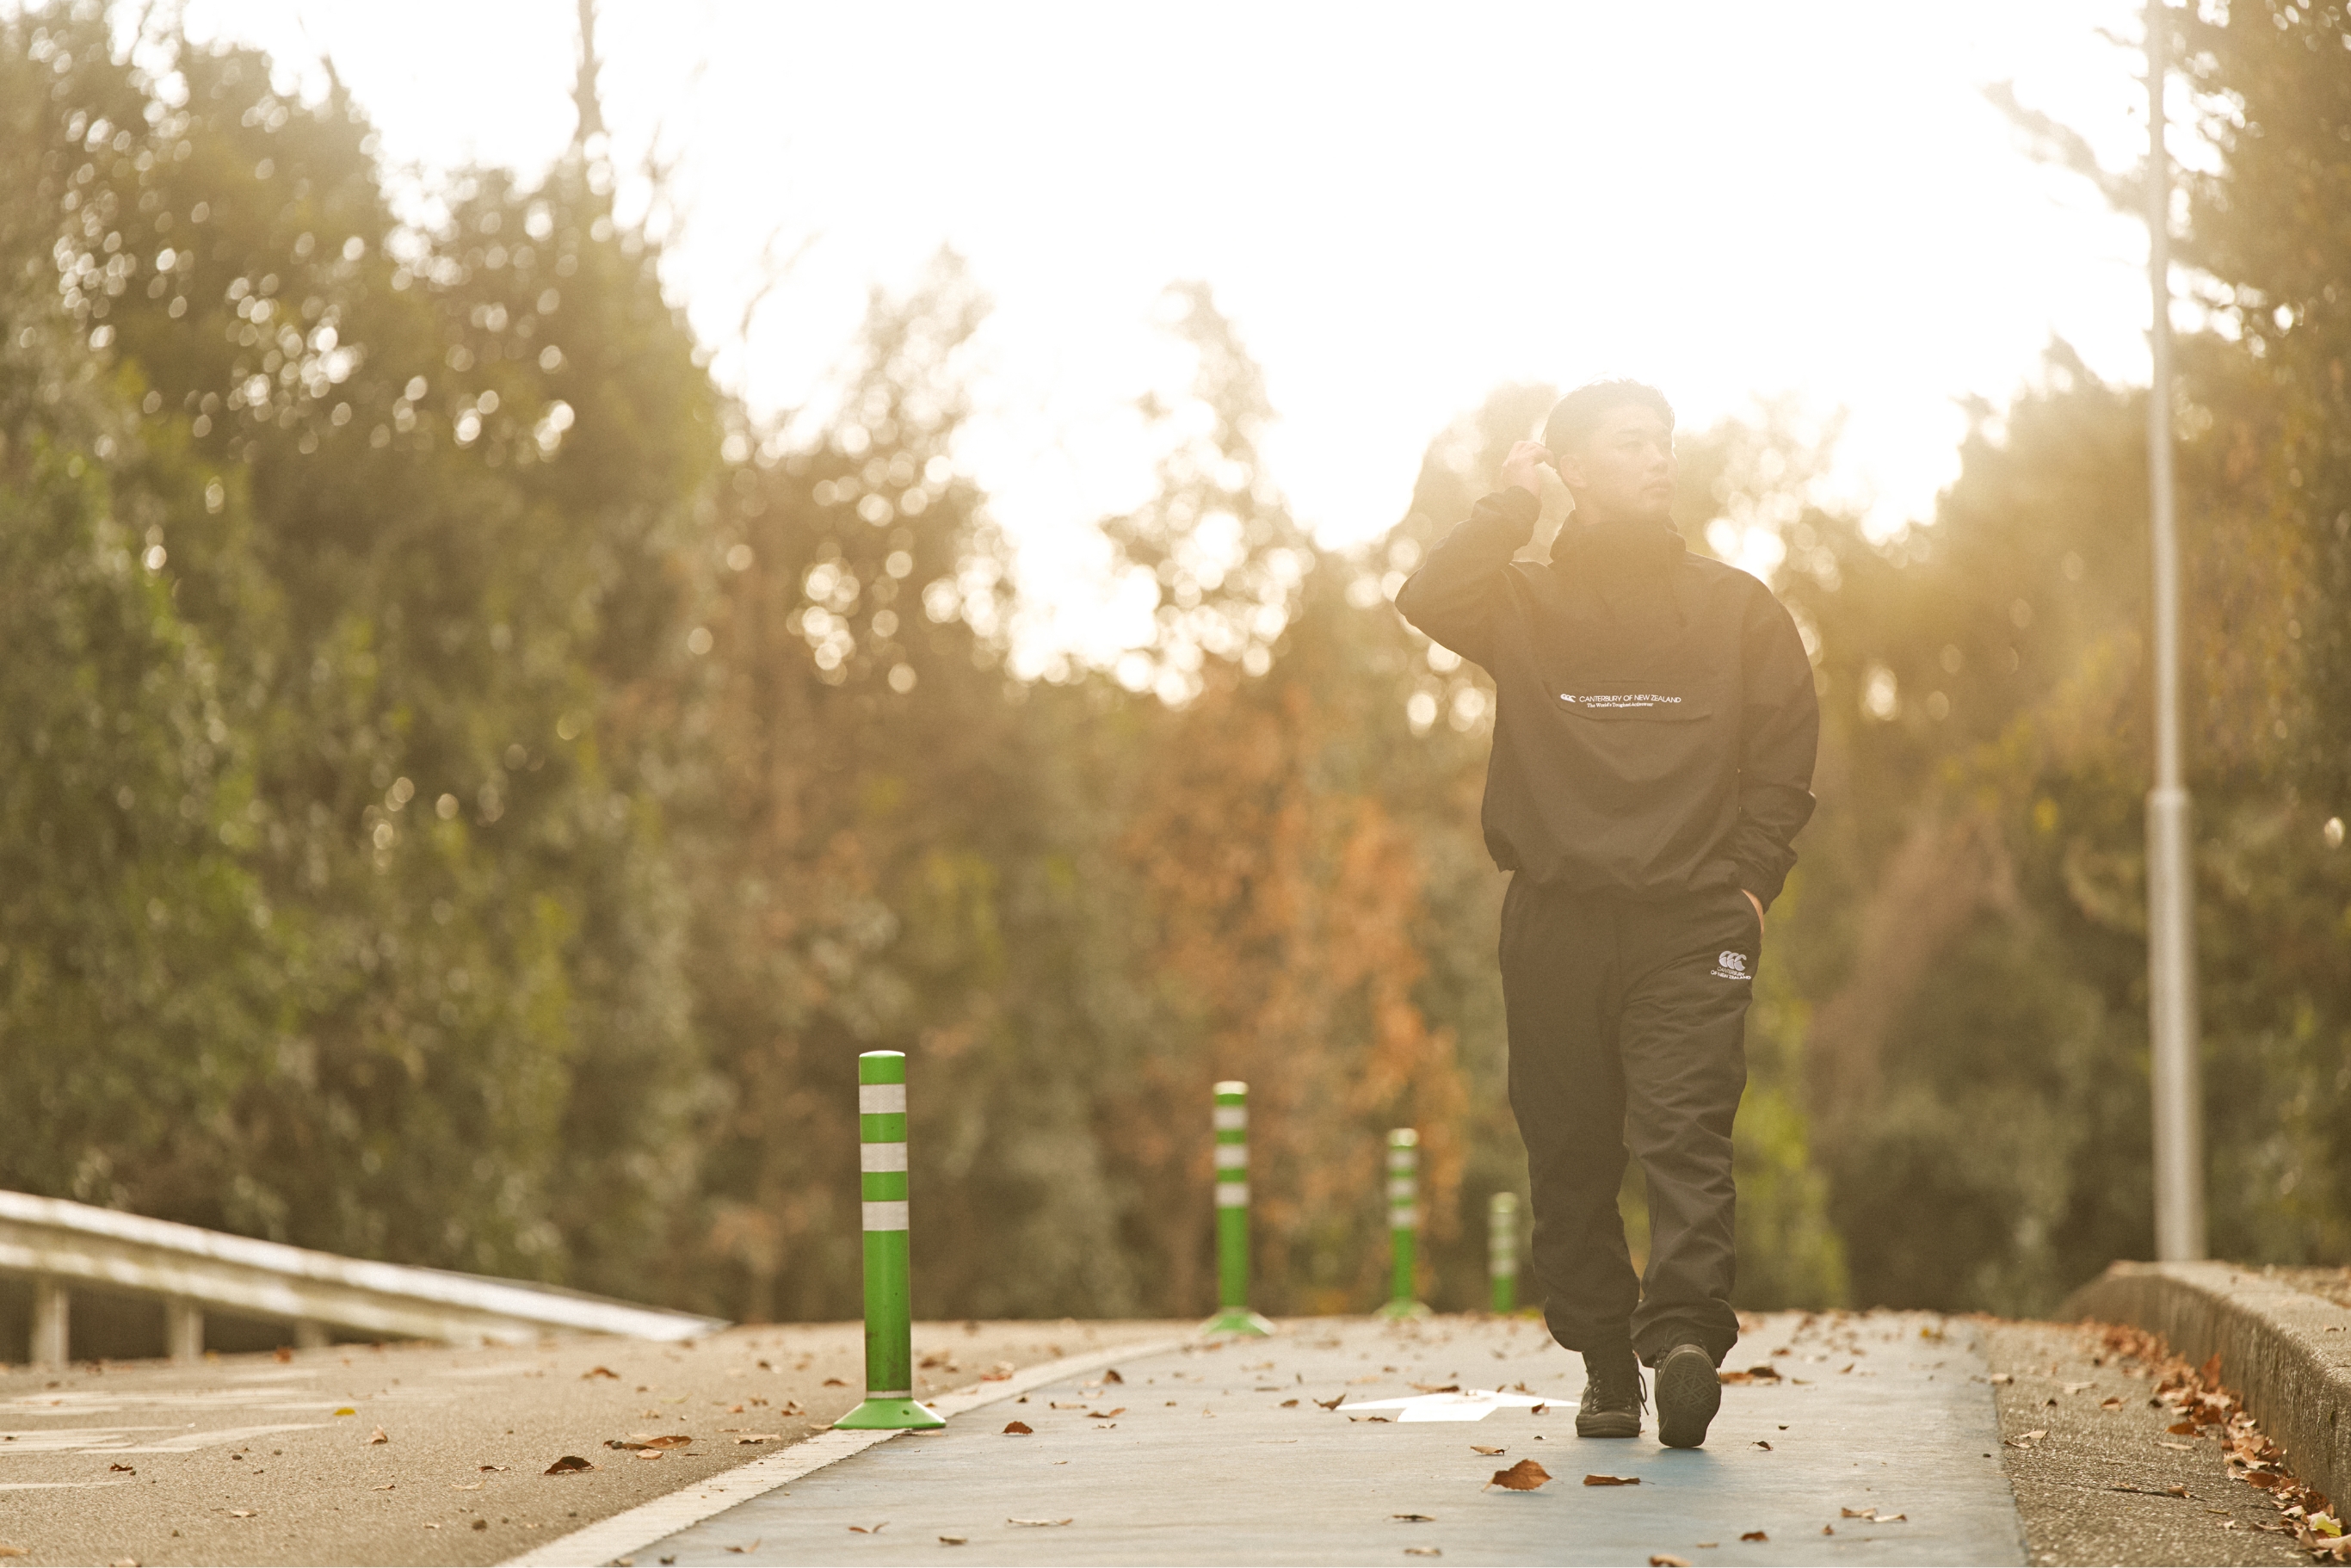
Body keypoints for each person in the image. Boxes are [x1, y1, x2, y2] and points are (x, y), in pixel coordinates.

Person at [1394, 380, 1818, 1449]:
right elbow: (1426, 593)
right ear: (1573, 468)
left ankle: (1679, 1345)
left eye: (1664, 441)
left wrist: (1749, 888)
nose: (1659, 458)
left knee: (1684, 1134)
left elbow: (1783, 756)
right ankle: (1602, 1367)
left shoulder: (1735, 609)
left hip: (1691, 925)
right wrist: (1507, 505)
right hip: (1554, 920)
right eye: (1632, 443)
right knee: (1569, 1149)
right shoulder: (1523, 602)